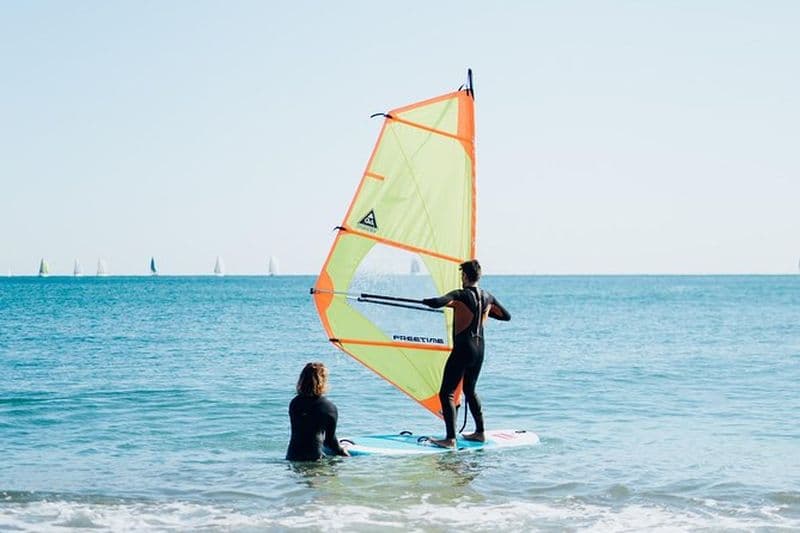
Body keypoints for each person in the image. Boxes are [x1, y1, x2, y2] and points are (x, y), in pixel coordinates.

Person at [421, 259, 511, 448]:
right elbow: (506, 316)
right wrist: (484, 310)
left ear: (464, 276)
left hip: (463, 349)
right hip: (479, 350)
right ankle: (480, 433)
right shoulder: (488, 297)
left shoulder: (460, 295)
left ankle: (450, 439)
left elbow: (438, 302)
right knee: (470, 390)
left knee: (446, 393)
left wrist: (427, 301)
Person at [286, 362, 350, 461]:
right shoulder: (329, 407)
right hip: (314, 460)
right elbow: (330, 443)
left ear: (302, 380)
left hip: (292, 457)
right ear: (323, 381)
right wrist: (343, 451)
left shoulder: (295, 403)